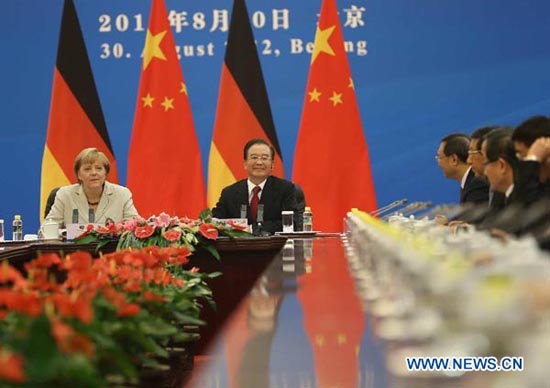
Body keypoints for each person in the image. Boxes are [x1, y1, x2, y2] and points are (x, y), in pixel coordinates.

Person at [212, 139, 299, 234]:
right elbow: (216, 221)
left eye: (264, 158)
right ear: (245, 164)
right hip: (238, 247)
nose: (259, 162)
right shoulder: (229, 193)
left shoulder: (285, 189)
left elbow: (292, 222)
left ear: (272, 165)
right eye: (254, 157)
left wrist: (253, 229)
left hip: (274, 247)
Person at [45, 147, 139, 227]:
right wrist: (66, 234)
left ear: (105, 172)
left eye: (99, 168)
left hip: (112, 249)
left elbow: (135, 226)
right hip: (74, 248)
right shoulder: (65, 195)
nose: (94, 173)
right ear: (79, 175)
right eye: (87, 169)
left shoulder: (122, 194)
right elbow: (47, 229)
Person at [436, 133, 489, 205]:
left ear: (454, 159)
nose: (438, 164)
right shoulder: (468, 182)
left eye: (439, 157)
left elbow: (478, 215)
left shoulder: (477, 185)